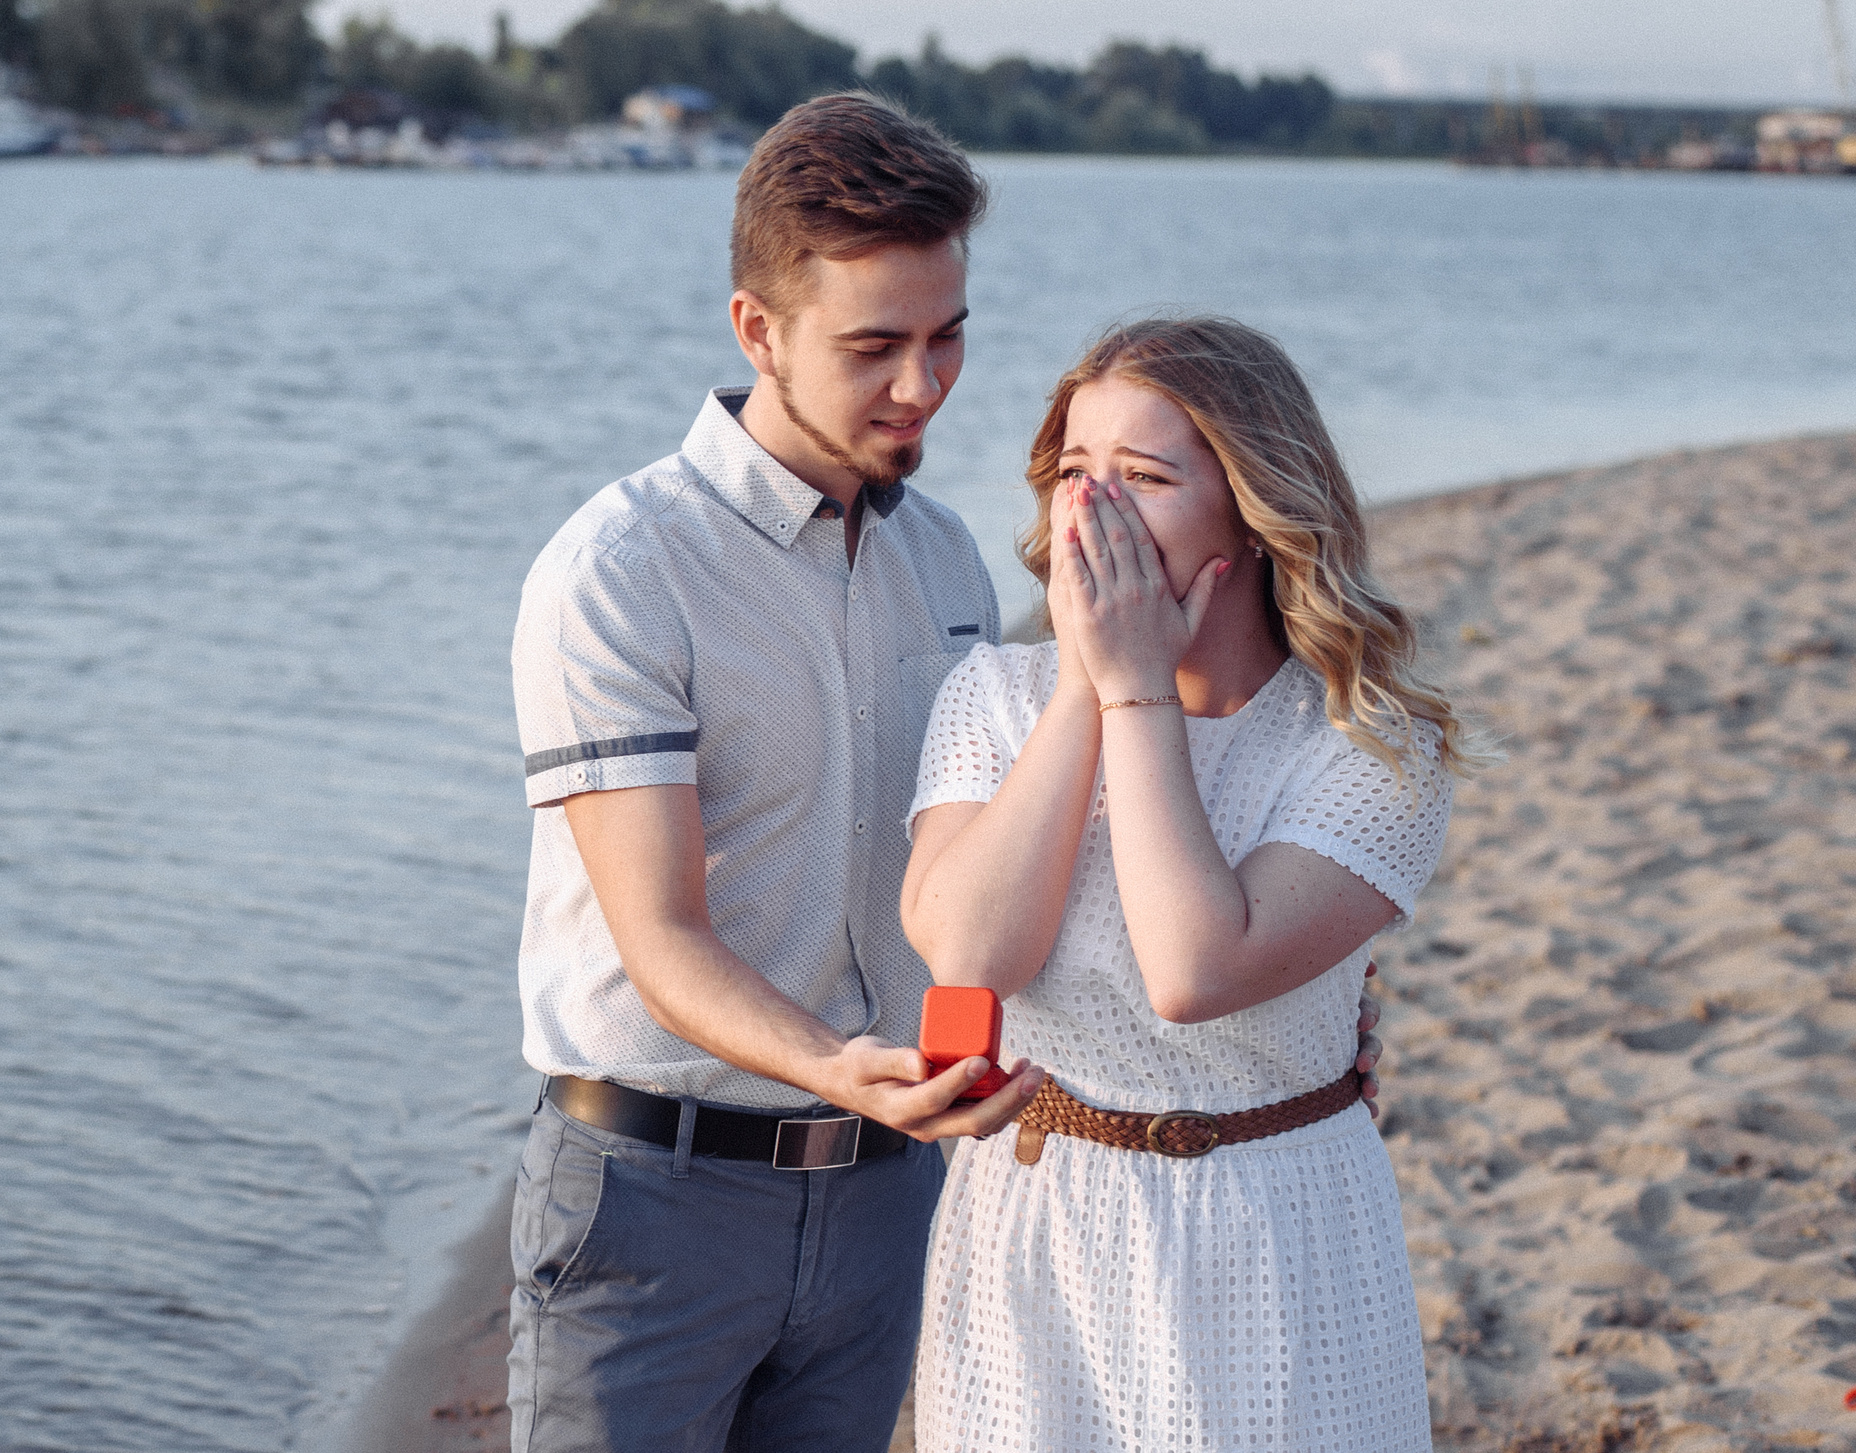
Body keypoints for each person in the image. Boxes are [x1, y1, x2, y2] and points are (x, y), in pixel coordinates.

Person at [504, 106, 1388, 1451]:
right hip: (657, 1196)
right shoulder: (625, 570)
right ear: (758, 331)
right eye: (873, 347)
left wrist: (1313, 1013)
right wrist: (843, 1068)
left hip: (893, 1198)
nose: (922, 385)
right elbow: (661, 938)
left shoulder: (948, 566)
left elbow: (1024, 862)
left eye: (948, 334)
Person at [901, 315, 1485, 1451]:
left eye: (1146, 476)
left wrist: (1135, 694)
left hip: (1273, 1227)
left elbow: (1194, 966)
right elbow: (968, 951)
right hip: (1036, 1229)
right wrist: (1083, 686)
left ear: (1255, 514)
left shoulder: (1370, 745)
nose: (1093, 510)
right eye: (1074, 471)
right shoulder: (994, 699)